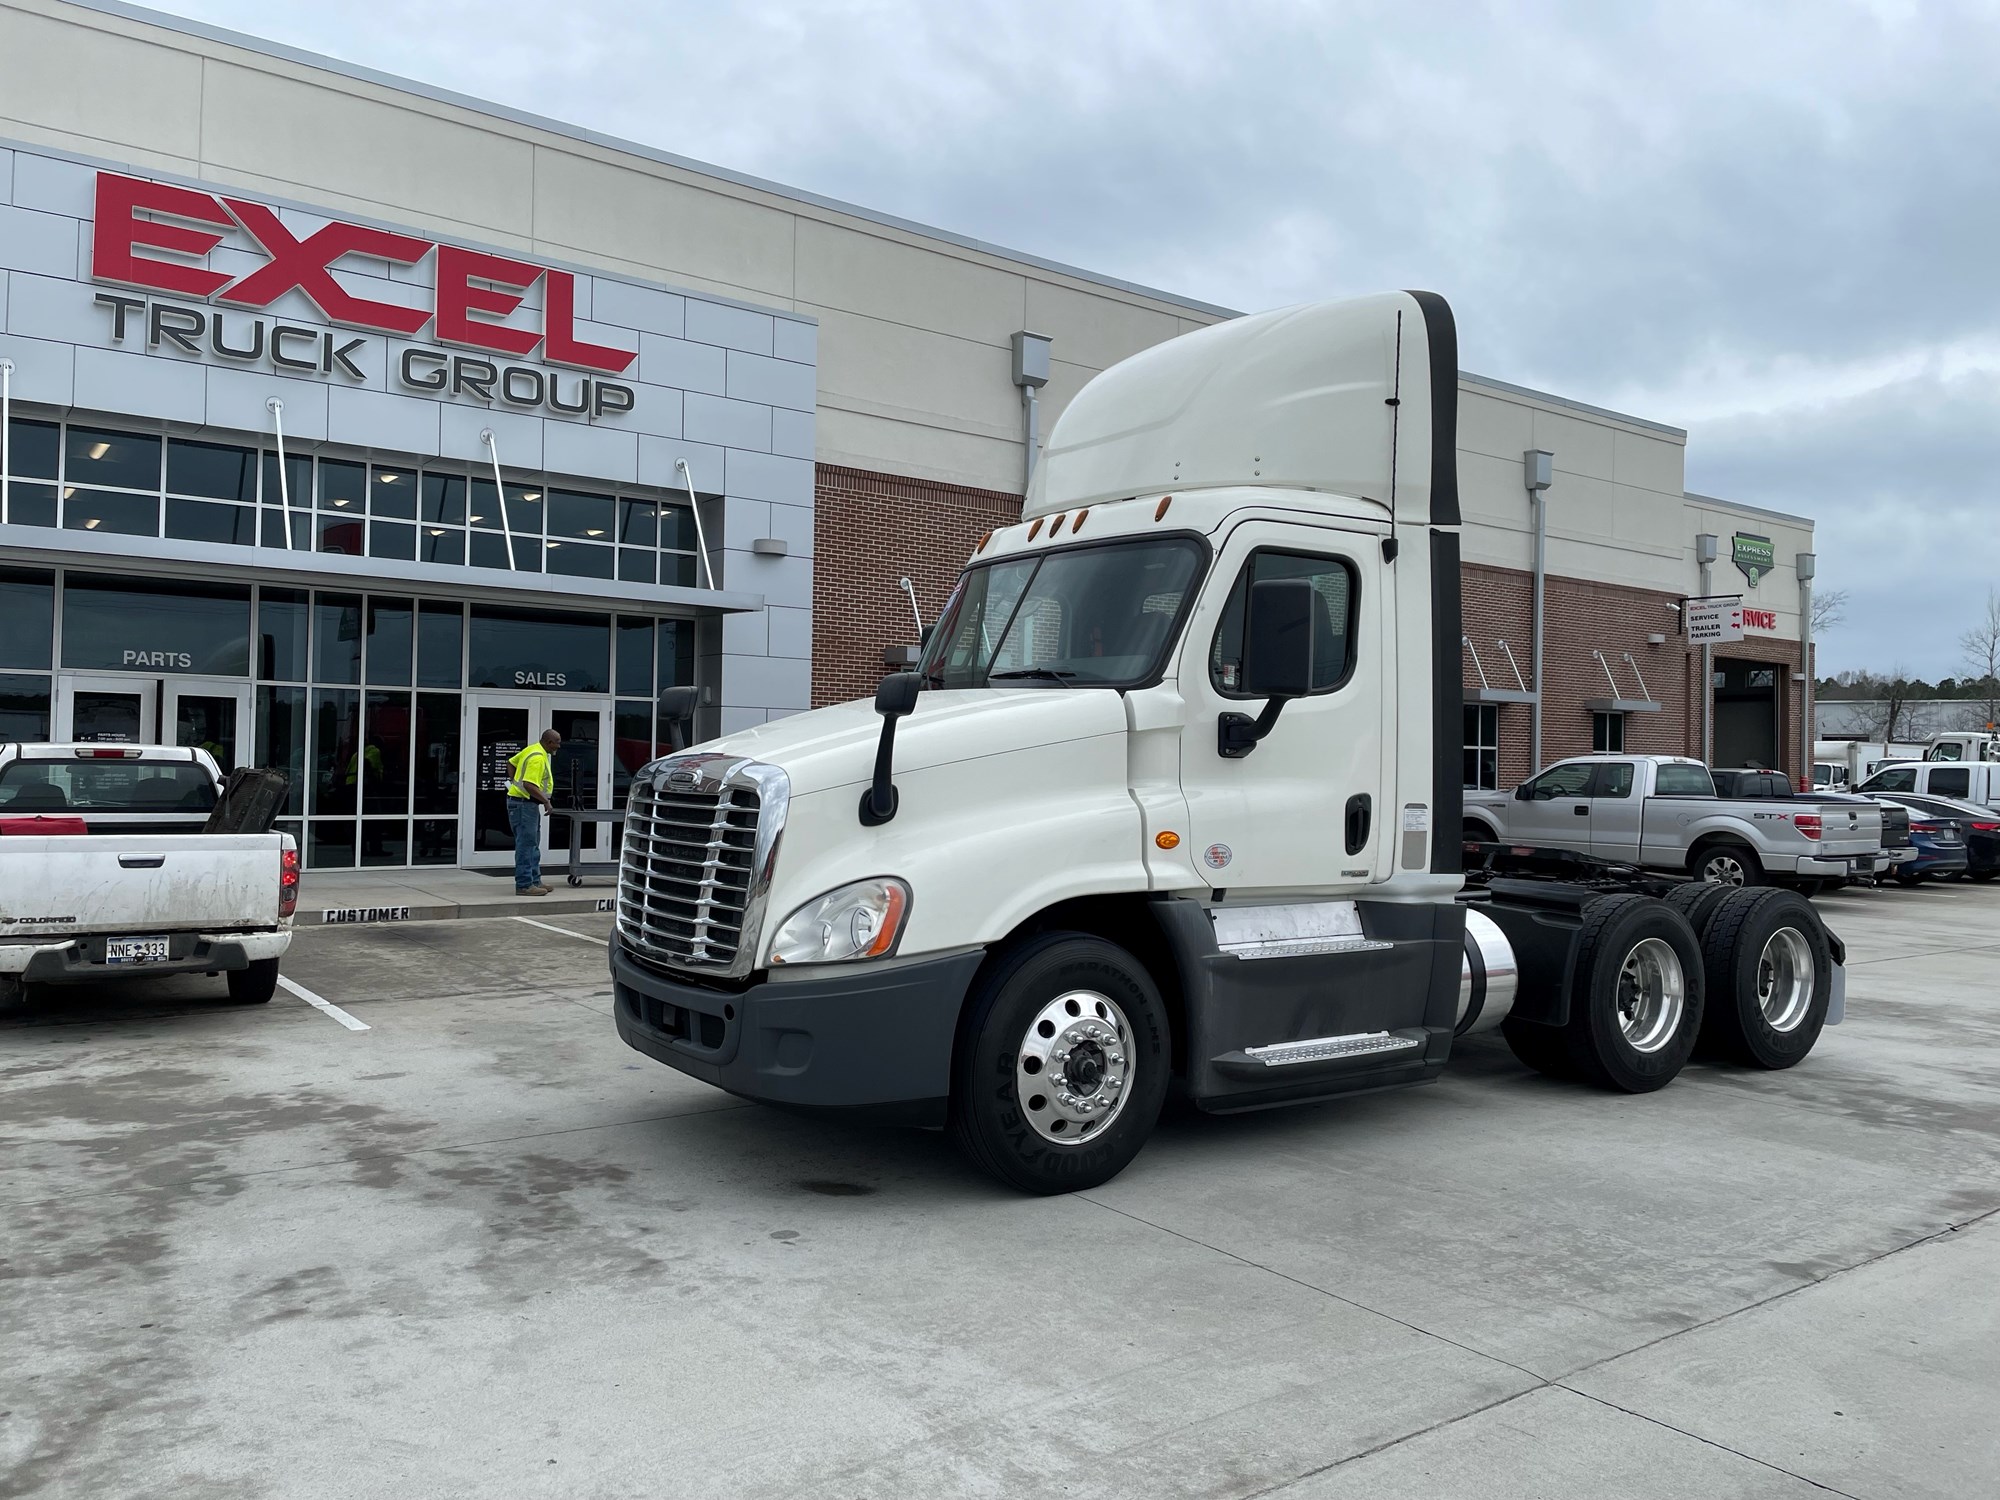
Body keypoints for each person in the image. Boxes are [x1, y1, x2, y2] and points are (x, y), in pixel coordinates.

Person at [506, 728, 561, 896]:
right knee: (526, 845)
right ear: (549, 742)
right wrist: (546, 802)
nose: (558, 746)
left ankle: (535, 880)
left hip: (525, 804)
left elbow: (511, 762)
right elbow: (529, 784)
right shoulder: (537, 757)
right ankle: (524, 884)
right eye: (557, 743)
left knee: (533, 844)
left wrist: (514, 782)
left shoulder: (532, 749)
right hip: (523, 805)